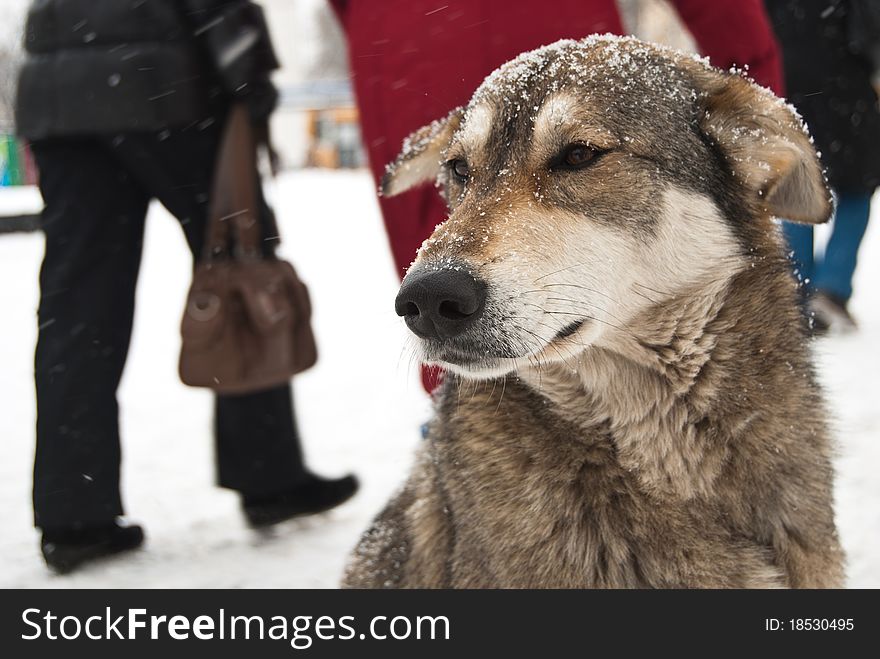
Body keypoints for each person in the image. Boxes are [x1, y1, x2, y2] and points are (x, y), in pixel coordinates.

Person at [15, 0, 357, 573]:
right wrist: (252, 84)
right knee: (243, 262)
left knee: (78, 303)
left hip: (60, 95)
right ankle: (268, 475)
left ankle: (75, 513)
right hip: (165, 86)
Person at [328, 0, 785, 393]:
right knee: (474, 349)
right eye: (460, 171)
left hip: (401, 47)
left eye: (578, 155)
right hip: (481, 34)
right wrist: (750, 60)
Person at [766, 0, 880, 332]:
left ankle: (800, 290)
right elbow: (870, 31)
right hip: (848, 93)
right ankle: (831, 290)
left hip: (792, 91)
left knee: (797, 189)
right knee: (857, 190)